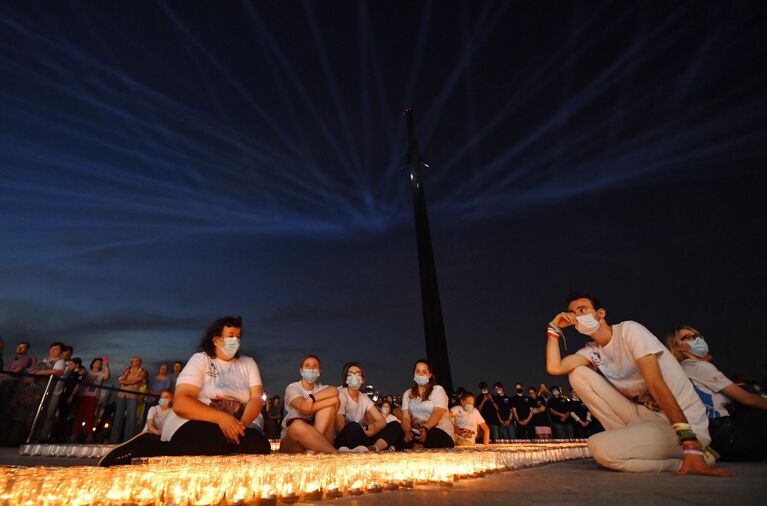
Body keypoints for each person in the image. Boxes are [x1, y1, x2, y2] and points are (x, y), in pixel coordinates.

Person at [546, 292, 730, 475]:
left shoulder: (629, 331)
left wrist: (688, 441)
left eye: (583, 310)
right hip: (646, 417)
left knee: (599, 448)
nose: (578, 316)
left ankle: (692, 455)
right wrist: (554, 329)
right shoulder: (592, 352)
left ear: (600, 313)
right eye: (573, 313)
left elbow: (656, 383)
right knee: (578, 374)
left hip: (682, 423)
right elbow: (555, 368)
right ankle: (636, 444)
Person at [99, 316, 270, 466]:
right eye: (231, 336)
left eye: (238, 337)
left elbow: (256, 399)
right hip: (195, 419)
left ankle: (211, 447)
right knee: (209, 440)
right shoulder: (201, 360)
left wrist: (240, 426)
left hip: (234, 425)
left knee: (259, 445)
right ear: (217, 340)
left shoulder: (248, 364)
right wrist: (222, 418)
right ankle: (147, 446)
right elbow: (181, 402)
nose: (236, 341)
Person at [666, 325, 767, 461]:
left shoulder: (683, 369)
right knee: (750, 392)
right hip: (726, 436)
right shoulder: (701, 367)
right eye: (689, 337)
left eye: (698, 336)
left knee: (744, 389)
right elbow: (748, 399)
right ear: (677, 347)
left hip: (712, 437)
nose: (698, 339)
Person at [334, 362, 403, 452]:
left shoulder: (364, 397)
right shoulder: (340, 394)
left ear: (362, 379)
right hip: (345, 437)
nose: (354, 377)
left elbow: (382, 421)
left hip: (363, 436)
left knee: (395, 425)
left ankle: (374, 448)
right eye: (350, 374)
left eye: (358, 374)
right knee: (353, 426)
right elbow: (340, 428)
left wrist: (372, 431)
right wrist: (366, 428)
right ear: (346, 379)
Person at [280, 355, 339, 454]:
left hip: (320, 433)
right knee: (297, 426)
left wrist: (311, 399)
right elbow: (304, 408)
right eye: (307, 366)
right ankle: (335, 453)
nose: (311, 369)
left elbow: (334, 390)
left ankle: (313, 448)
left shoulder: (321, 388)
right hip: (295, 441)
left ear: (319, 371)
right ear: (301, 370)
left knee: (328, 408)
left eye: (315, 366)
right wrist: (333, 400)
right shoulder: (293, 387)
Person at [400, 359, 454, 449]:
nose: (420, 374)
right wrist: (407, 431)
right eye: (417, 371)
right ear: (414, 374)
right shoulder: (407, 393)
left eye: (424, 372)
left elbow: (438, 412)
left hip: (438, 431)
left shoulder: (437, 390)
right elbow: (405, 417)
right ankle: (417, 445)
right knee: (397, 429)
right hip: (417, 433)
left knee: (433, 434)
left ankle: (422, 446)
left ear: (430, 375)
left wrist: (425, 428)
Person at [29, 342, 67, 441]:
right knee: (35, 412)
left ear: (60, 352)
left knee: (48, 414)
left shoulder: (60, 361)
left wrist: (40, 372)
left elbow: (58, 372)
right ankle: (32, 434)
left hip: (53, 391)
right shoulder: (42, 361)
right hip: (39, 390)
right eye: (52, 348)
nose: (54, 350)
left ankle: (43, 437)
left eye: (57, 349)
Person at [71, 357, 110, 442]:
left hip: (93, 397)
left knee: (90, 416)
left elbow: (107, 376)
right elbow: (78, 382)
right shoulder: (86, 372)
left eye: (100, 363)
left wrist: (106, 365)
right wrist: (72, 395)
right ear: (92, 363)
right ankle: (74, 435)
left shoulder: (100, 373)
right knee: (78, 416)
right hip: (82, 395)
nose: (98, 364)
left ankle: (89, 436)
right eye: (96, 362)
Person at [110, 356, 148, 443]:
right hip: (121, 395)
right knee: (118, 417)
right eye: (133, 360)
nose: (134, 362)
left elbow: (138, 379)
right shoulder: (127, 370)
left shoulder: (142, 371)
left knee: (131, 418)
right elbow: (121, 381)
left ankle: (128, 441)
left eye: (136, 360)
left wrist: (126, 382)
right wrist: (130, 381)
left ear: (140, 362)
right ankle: (113, 440)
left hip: (133, 396)